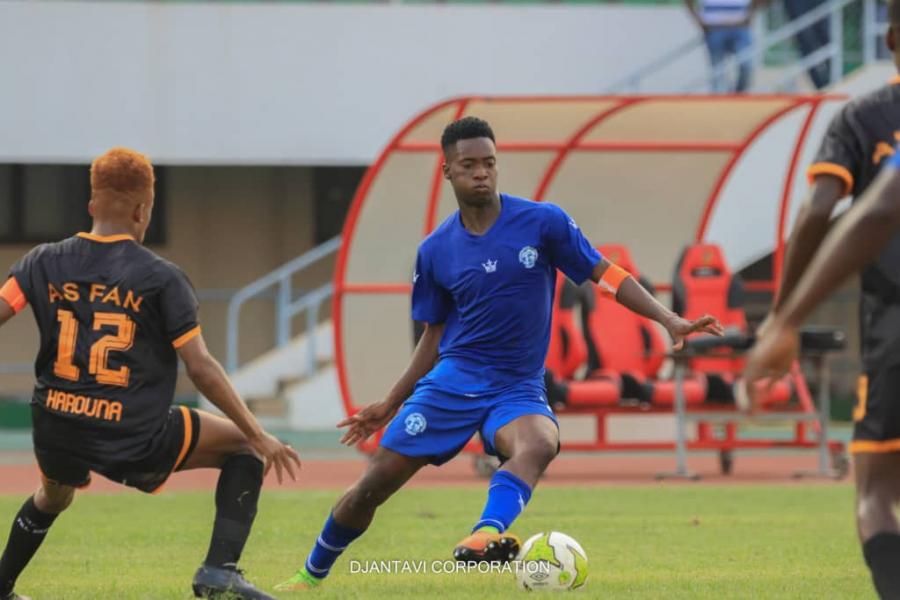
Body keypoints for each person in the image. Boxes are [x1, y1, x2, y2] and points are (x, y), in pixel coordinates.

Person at [274, 117, 724, 591]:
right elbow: (433, 335)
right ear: (447, 170)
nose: (481, 173)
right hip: (453, 382)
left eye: (489, 163)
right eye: (468, 165)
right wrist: (390, 404)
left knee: (539, 443)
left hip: (517, 384)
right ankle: (310, 574)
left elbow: (606, 275)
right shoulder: (435, 252)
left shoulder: (543, 222)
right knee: (374, 485)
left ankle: (486, 534)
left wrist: (668, 318)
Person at [0, 148, 301, 600]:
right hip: (131, 433)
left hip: (57, 421)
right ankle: (220, 572)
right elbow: (199, 366)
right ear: (143, 210)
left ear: (91, 206)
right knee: (243, 448)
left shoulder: (40, 261)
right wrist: (258, 433)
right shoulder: (161, 277)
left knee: (54, 497)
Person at [746, 8, 900, 596]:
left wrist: (782, 321)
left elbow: (836, 211)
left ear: (889, 39)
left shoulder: (863, 116)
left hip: (894, 328)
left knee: (877, 492)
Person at [684, 0, 763, 92]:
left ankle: (739, 96)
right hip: (714, 28)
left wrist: (751, 14)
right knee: (718, 71)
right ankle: (719, 101)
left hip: (740, 27)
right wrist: (699, 21)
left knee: (746, 65)